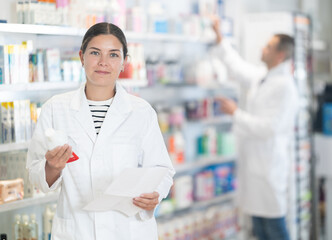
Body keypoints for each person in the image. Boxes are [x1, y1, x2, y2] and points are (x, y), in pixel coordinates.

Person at [26, 22, 175, 240]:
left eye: (113, 55)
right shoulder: (55, 108)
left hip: (129, 230)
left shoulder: (142, 112)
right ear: (81, 56)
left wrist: (155, 195)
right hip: (78, 230)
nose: (104, 62)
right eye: (95, 53)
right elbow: (35, 174)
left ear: (124, 62)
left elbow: (162, 169)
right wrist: (52, 167)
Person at [211, 17, 299, 240]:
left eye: (268, 46)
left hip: (269, 170)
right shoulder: (264, 77)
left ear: (280, 55)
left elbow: (270, 128)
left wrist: (235, 113)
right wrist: (219, 36)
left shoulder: (286, 88)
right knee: (260, 231)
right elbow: (237, 67)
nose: (263, 48)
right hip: (255, 169)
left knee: (274, 229)